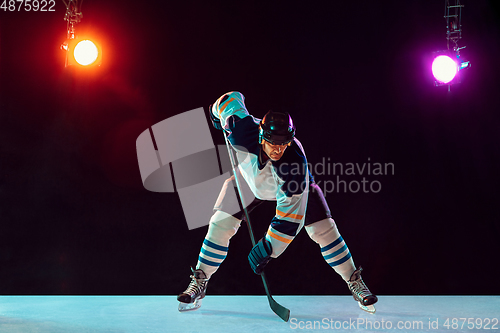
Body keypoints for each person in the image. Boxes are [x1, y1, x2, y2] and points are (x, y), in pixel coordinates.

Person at [177, 91, 377, 313]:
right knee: (219, 223)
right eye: (273, 143)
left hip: (288, 190)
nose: (278, 149)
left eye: (284, 143)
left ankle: (354, 281)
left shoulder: (294, 167)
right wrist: (215, 112)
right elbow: (229, 100)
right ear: (262, 135)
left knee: (324, 230)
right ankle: (200, 280)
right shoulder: (239, 129)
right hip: (248, 180)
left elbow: (289, 220)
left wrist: (269, 248)